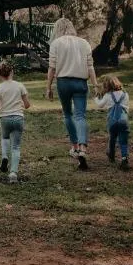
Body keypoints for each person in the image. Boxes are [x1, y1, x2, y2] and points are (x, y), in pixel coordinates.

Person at [46, 18, 97, 170]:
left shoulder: (56, 44)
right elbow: (90, 67)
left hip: (63, 83)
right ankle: (82, 148)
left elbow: (52, 68)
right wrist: (95, 84)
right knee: (80, 115)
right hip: (81, 83)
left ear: (58, 29)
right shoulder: (84, 43)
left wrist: (48, 87)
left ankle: (74, 147)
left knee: (68, 114)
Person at [0, 61, 30, 183]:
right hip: (18, 118)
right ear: (12, 72)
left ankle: (5, 157)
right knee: (16, 146)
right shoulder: (20, 85)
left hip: (5, 118)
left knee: (5, 138)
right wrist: (23, 104)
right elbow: (27, 105)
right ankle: (13, 173)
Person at [96, 76, 130, 171]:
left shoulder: (108, 96)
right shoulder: (125, 94)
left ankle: (111, 155)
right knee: (123, 141)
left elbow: (100, 105)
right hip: (123, 121)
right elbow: (127, 107)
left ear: (106, 86)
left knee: (112, 138)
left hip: (112, 121)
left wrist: (96, 97)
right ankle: (124, 158)